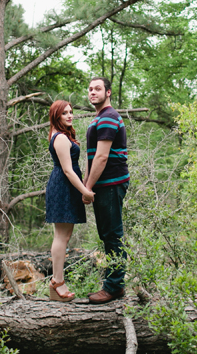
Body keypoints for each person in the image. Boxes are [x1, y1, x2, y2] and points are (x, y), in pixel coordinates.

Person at [83, 77, 129, 304]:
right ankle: (112, 283)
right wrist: (86, 185)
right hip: (103, 185)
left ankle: (114, 287)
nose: (93, 92)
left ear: (108, 92)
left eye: (98, 89)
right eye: (90, 89)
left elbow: (102, 157)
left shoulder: (109, 117)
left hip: (111, 183)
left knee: (113, 236)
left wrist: (87, 187)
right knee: (107, 235)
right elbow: (92, 156)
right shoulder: (99, 119)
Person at [45, 100, 95, 302]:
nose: (69, 115)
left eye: (71, 112)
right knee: (61, 237)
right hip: (63, 187)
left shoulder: (63, 136)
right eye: (64, 113)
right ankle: (57, 283)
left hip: (67, 186)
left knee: (64, 237)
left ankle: (58, 282)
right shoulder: (60, 139)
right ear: (56, 116)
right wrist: (85, 191)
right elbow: (67, 170)